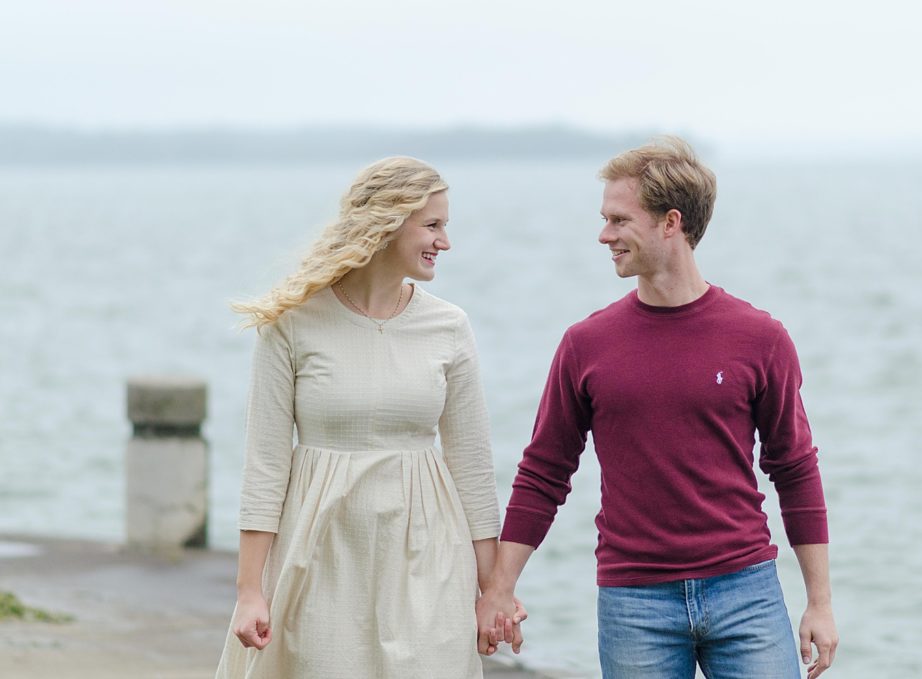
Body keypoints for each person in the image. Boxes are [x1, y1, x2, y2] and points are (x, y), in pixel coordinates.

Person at [477, 137, 838, 678]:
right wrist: (499, 588)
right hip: (634, 601)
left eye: (619, 220)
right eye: (605, 220)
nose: (604, 235)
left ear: (671, 223)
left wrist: (820, 602)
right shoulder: (586, 345)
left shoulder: (760, 337)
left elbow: (794, 467)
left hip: (747, 591)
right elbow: (545, 472)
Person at [215, 156, 523, 679]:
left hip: (430, 556)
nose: (444, 242)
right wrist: (250, 592)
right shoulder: (291, 322)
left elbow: (471, 467)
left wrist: (494, 591)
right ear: (386, 224)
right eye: (433, 225)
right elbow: (265, 467)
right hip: (319, 555)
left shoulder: (449, 327)